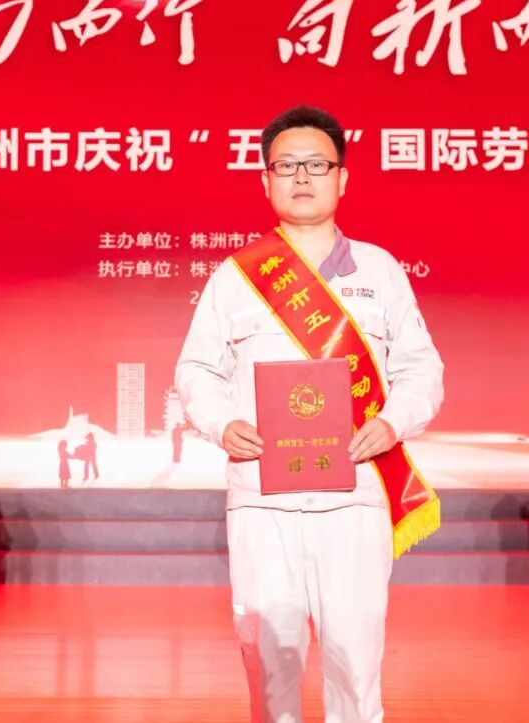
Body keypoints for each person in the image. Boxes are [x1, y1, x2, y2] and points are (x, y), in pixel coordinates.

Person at [174, 105, 445, 723]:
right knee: (270, 663)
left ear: (342, 178)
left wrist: (391, 422)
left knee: (355, 663)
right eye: (286, 165)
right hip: (263, 497)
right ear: (265, 180)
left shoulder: (380, 270)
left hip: (355, 495)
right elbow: (196, 370)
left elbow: (422, 370)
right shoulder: (236, 277)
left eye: (317, 165)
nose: (301, 177)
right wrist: (222, 423)